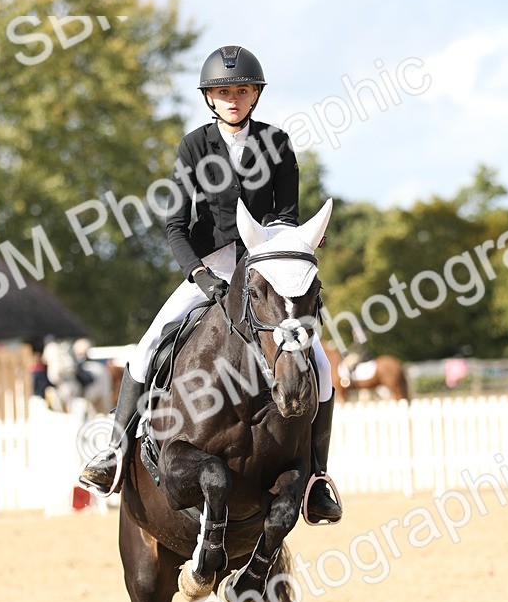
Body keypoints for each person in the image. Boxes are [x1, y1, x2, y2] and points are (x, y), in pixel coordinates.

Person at [80, 44, 342, 523]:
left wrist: (281, 258)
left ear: (255, 95)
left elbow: (286, 216)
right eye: (224, 92)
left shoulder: (278, 143)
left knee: (320, 366)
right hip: (212, 268)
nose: (233, 99)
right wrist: (200, 276)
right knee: (146, 346)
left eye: (241, 91)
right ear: (210, 98)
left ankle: (317, 479)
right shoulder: (194, 147)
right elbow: (176, 225)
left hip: (264, 273)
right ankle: (115, 453)